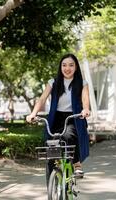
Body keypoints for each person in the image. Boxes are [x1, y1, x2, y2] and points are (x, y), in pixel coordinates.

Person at [26, 53, 90, 181]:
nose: (67, 68)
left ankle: (77, 164)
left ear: (76, 67)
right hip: (55, 116)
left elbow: (85, 98)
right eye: (64, 65)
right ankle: (53, 181)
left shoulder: (82, 83)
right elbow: (43, 98)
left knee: (69, 136)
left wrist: (86, 109)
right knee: (51, 143)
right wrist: (33, 113)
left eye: (71, 65)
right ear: (60, 67)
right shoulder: (53, 82)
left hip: (73, 116)